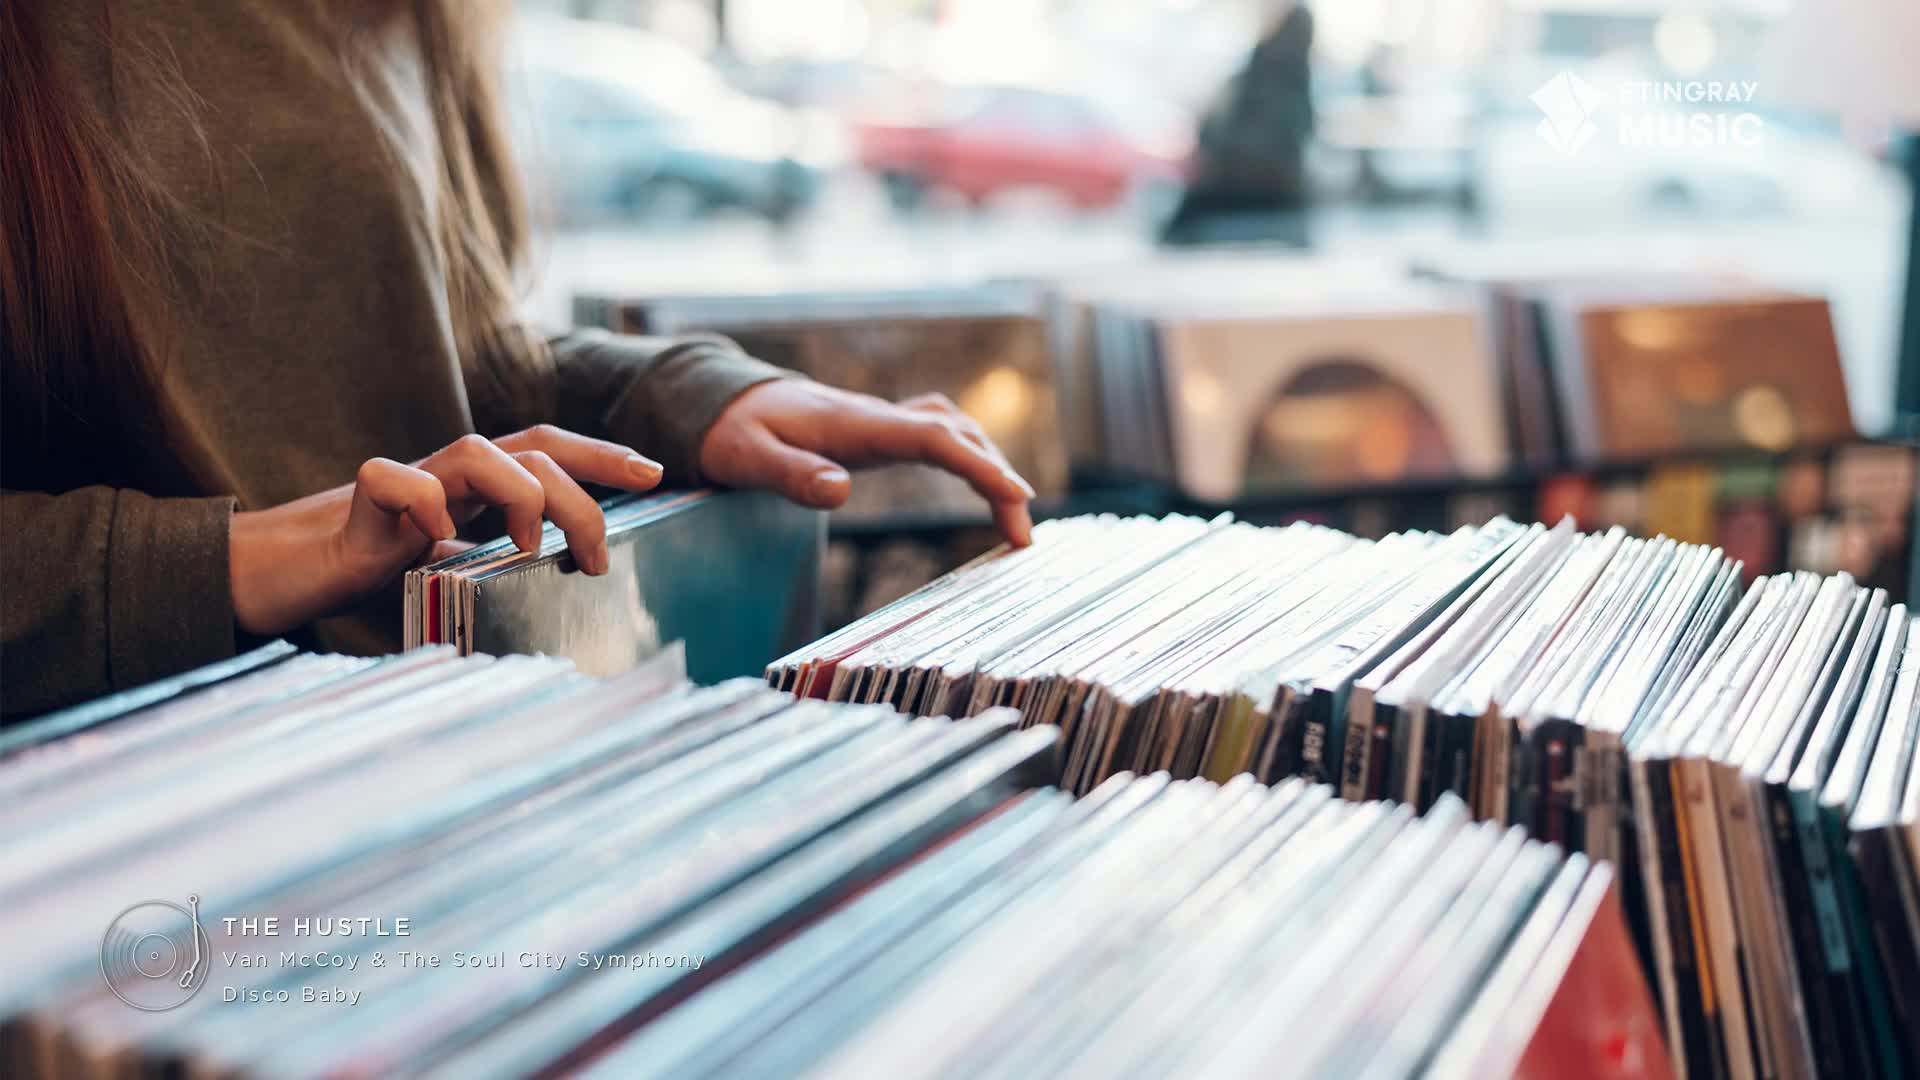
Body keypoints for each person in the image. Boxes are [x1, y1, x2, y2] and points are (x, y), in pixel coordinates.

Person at [0, 2, 1035, 717]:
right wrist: (237, 558)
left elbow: (433, 349)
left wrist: (684, 399)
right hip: (154, 802)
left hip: (422, 733)